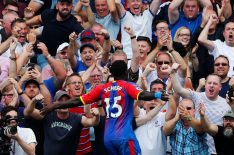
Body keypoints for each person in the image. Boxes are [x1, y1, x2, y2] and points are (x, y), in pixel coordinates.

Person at [41, 60, 169, 155]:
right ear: (125, 72)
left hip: (108, 139)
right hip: (124, 137)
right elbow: (143, 95)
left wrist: (55, 105)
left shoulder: (102, 88)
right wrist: (158, 94)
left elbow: (76, 101)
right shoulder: (127, 85)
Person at [170, 63, 231, 154]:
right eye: (209, 83)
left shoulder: (225, 105)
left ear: (220, 87)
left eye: (215, 83)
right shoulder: (197, 96)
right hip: (199, 146)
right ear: (205, 85)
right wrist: (173, 73)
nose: (211, 85)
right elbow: (179, 90)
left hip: (216, 149)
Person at [24, 90, 100, 155]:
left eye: (66, 101)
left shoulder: (77, 118)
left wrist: (97, 116)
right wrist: (34, 100)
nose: (64, 103)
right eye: (60, 101)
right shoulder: (48, 115)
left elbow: (93, 122)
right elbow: (29, 111)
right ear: (55, 103)